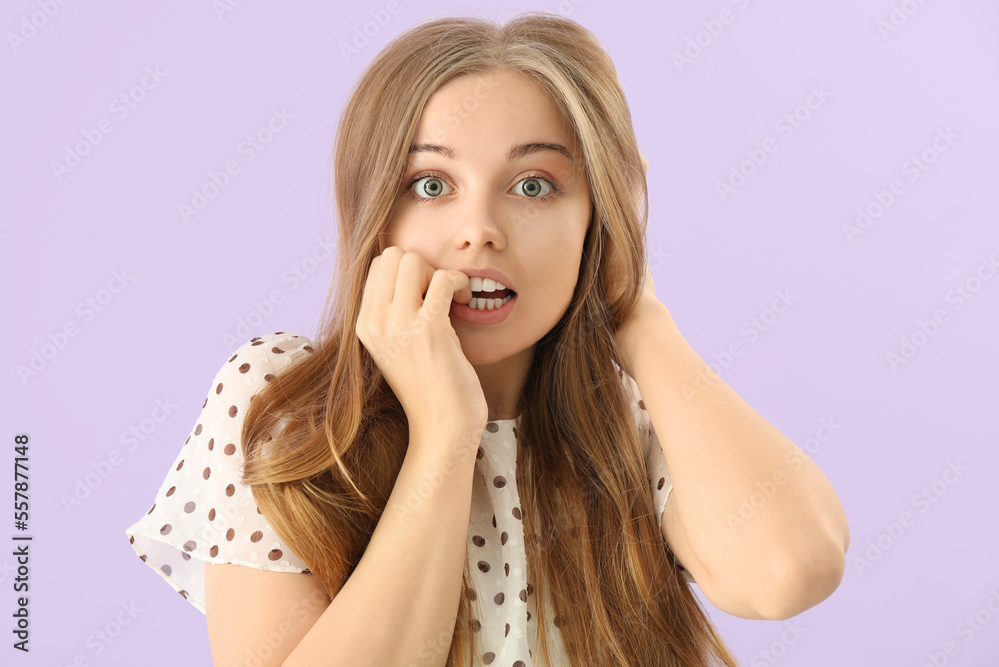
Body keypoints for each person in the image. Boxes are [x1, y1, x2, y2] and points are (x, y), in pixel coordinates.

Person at [124, 11, 849, 667]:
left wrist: (635, 311)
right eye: (431, 185)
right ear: (376, 214)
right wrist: (446, 430)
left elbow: (791, 570)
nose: (480, 230)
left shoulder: (642, 416)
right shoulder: (284, 403)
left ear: (602, 213)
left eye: (534, 185)